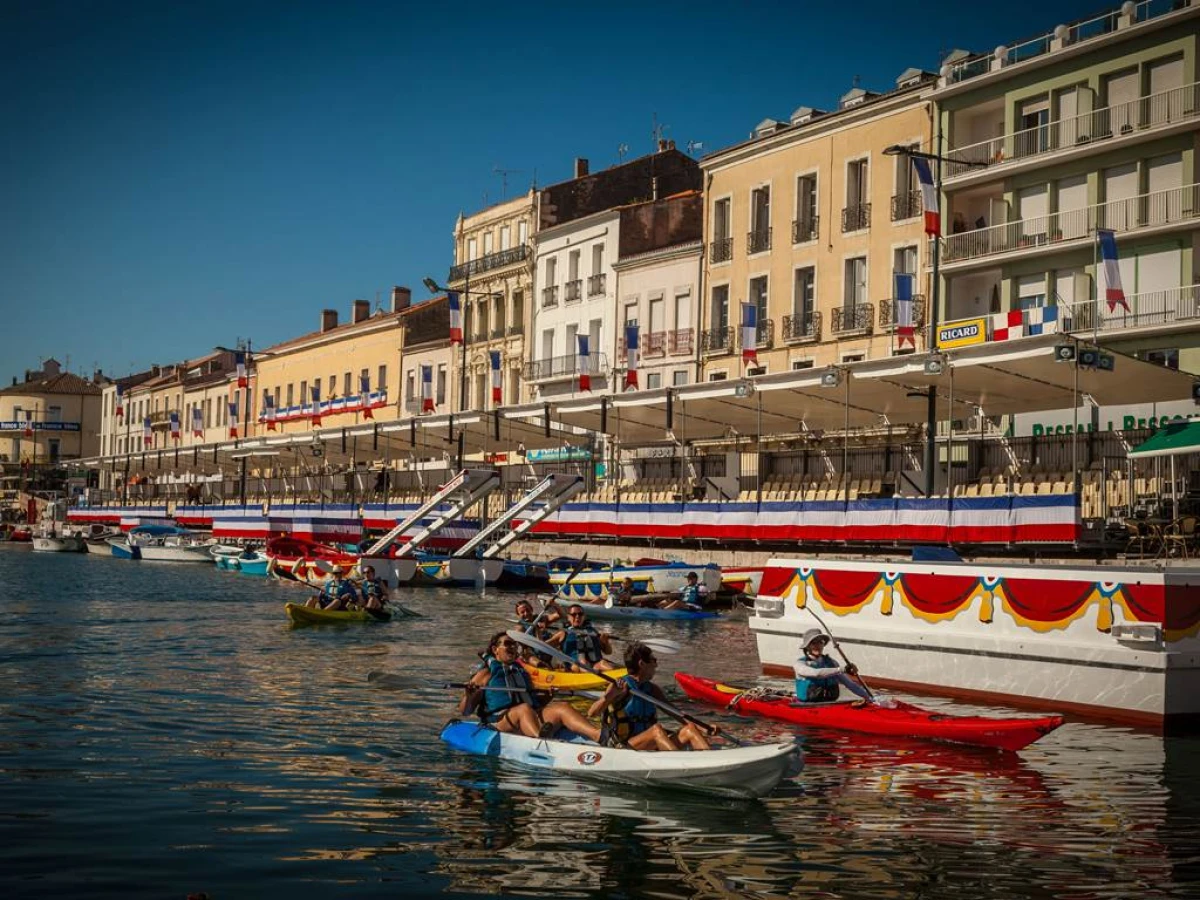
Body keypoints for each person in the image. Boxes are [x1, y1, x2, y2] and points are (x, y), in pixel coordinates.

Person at [460, 633, 601, 741]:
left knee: (562, 706)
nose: (513, 647)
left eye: (515, 644)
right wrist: (468, 695)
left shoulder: (521, 671)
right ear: (495, 649)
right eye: (508, 644)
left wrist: (548, 696)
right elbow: (465, 712)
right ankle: (541, 741)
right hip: (500, 722)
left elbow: (536, 704)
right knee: (523, 709)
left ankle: (598, 735)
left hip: (527, 717)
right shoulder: (485, 674)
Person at [589, 642, 715, 751]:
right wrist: (610, 696)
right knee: (657, 730)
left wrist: (704, 728)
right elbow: (592, 713)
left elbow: (677, 714)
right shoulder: (619, 686)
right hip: (625, 746)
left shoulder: (652, 689)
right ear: (642, 664)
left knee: (690, 729)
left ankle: (711, 762)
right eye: (653, 660)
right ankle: (679, 763)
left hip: (650, 744)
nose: (656, 665)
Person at [793, 629, 872, 703]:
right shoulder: (800, 664)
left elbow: (850, 685)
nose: (817, 646)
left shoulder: (832, 663)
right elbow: (816, 673)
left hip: (830, 704)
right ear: (807, 646)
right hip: (805, 705)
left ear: (823, 644)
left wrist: (868, 697)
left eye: (820, 642)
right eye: (813, 643)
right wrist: (843, 669)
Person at [553, 605, 616, 671]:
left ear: (584, 616)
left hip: (596, 664)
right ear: (568, 617)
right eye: (574, 614)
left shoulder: (592, 631)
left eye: (580, 614)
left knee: (604, 663)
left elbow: (608, 652)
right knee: (581, 664)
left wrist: (605, 642)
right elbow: (544, 646)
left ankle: (615, 677)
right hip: (576, 667)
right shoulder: (563, 633)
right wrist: (540, 632)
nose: (577, 616)